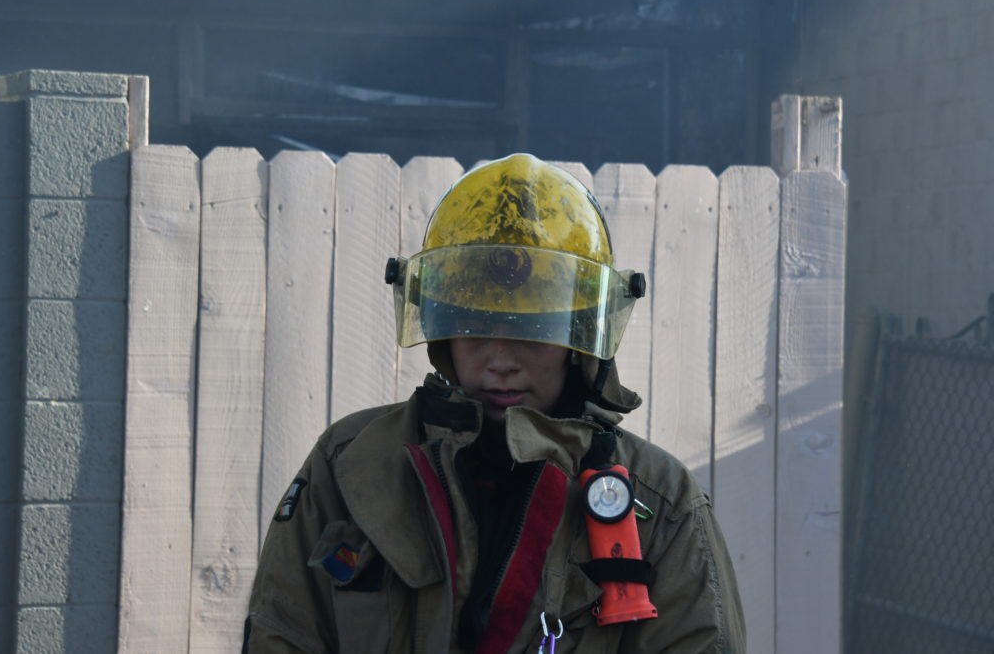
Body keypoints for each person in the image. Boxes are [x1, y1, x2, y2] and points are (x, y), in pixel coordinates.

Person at [244, 153, 746, 653]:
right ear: (442, 329)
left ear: (577, 339)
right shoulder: (352, 465)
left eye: (532, 329)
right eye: (476, 326)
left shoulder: (660, 505)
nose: (501, 360)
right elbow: (280, 634)